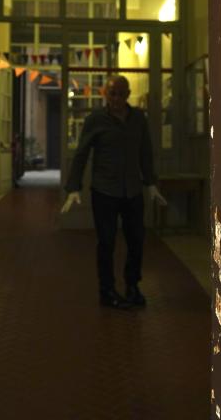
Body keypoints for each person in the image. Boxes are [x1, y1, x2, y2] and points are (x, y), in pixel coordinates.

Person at [62, 75, 167, 309]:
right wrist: (73, 188)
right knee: (106, 243)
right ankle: (107, 290)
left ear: (128, 94)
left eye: (121, 94)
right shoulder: (95, 119)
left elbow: (145, 152)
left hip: (132, 190)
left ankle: (132, 286)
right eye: (112, 94)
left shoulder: (138, 118)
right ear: (105, 95)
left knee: (136, 241)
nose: (117, 98)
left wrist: (151, 183)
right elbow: (81, 154)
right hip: (104, 191)